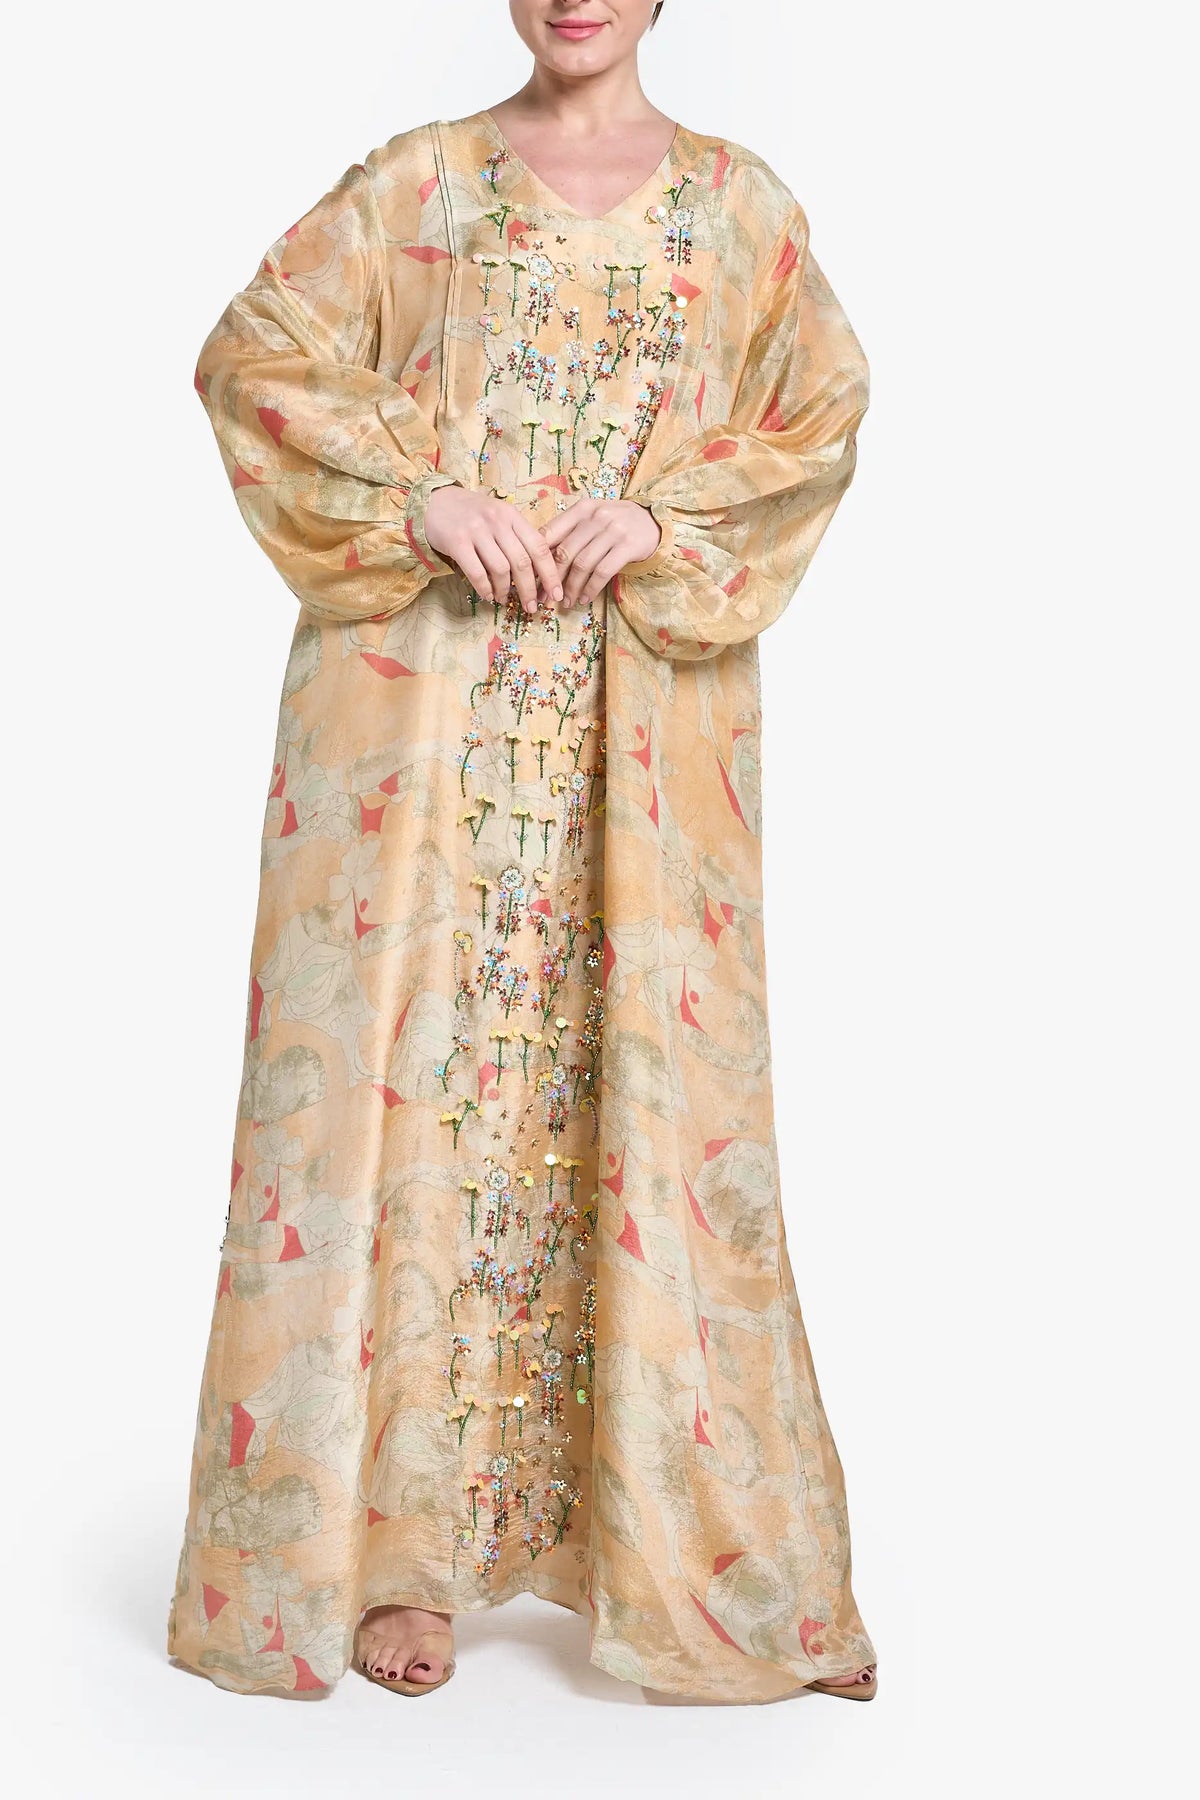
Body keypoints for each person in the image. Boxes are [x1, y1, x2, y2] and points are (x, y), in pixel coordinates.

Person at [166, 0, 877, 1705]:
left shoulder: (740, 208)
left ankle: (674, 1550)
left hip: (642, 730)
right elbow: (254, 355)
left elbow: (820, 415)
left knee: (637, 1096)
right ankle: (397, 1561)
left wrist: (663, 511)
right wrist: (424, 495)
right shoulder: (422, 184)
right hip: (423, 716)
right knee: (419, 1094)